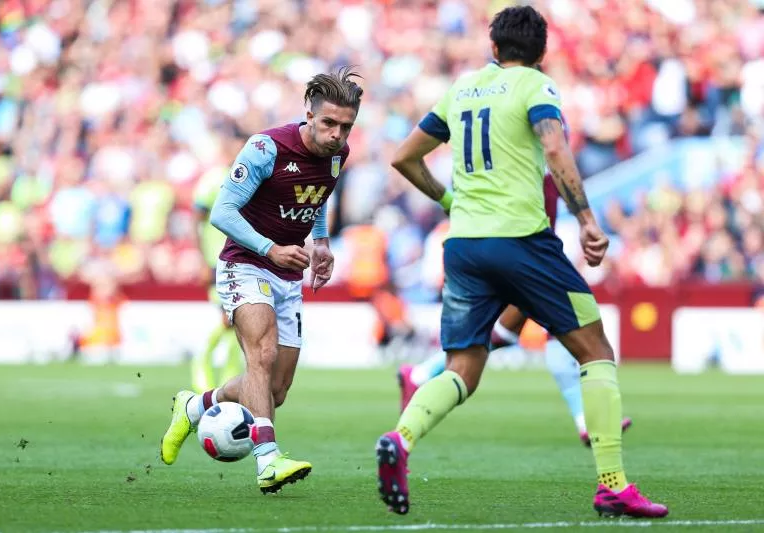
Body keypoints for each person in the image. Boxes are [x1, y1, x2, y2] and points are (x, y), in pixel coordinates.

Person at [374, 7, 667, 519]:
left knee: (465, 365)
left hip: (463, 246)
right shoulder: (536, 86)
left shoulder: (462, 90)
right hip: (522, 241)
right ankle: (613, 485)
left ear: (493, 49)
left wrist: (450, 204)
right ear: (541, 54)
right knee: (594, 349)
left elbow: (403, 156)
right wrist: (588, 219)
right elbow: (554, 148)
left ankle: (401, 439)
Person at [160, 67, 363, 494]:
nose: (336, 134)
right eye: (328, 123)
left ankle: (195, 406)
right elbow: (222, 213)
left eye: (345, 126)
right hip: (245, 263)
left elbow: (319, 194)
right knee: (262, 355)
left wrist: (321, 242)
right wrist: (270, 248)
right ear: (308, 112)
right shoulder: (266, 148)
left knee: (275, 389)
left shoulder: (337, 155)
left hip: (288, 272)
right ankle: (268, 461)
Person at [397, 174, 632, 448]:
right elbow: (555, 155)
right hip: (522, 243)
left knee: (508, 332)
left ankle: (419, 378)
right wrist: (586, 220)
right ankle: (590, 430)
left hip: (524, 239)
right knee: (565, 328)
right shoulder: (540, 141)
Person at [190, 167, 245, 391]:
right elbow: (197, 218)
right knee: (228, 319)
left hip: (243, 262)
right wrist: (201, 259)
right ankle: (200, 363)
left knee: (238, 325)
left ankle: (227, 384)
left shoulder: (258, 179)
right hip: (217, 261)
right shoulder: (215, 179)